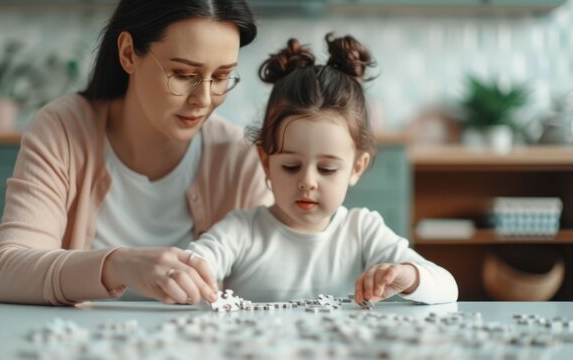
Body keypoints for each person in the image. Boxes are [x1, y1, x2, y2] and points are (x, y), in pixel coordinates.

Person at [0, 0, 272, 306]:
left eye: (221, 77)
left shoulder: (238, 156)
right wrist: (118, 265)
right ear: (128, 53)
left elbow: (266, 285)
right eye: (184, 74)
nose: (203, 99)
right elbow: (3, 275)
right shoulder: (64, 130)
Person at [187, 34, 458, 304]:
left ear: (356, 168)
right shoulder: (241, 231)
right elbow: (193, 266)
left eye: (327, 169)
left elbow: (448, 287)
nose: (307, 181)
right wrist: (187, 274)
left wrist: (408, 276)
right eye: (291, 166)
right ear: (266, 160)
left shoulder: (362, 231)